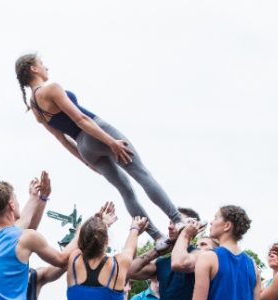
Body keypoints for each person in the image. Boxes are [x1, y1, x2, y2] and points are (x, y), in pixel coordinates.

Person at [14, 54, 182, 242]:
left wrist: (87, 162)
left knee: (126, 191)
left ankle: (158, 238)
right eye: (42, 64)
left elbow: (62, 139)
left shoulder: (35, 108)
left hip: (84, 147)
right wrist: (111, 142)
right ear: (34, 69)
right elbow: (81, 119)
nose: (47, 67)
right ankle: (178, 219)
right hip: (97, 132)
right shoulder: (51, 89)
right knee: (142, 175)